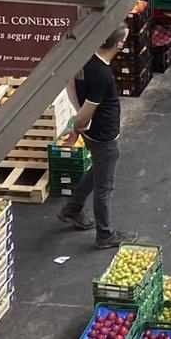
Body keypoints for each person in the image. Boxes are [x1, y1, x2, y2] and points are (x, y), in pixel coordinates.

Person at [56, 26, 130, 249]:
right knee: (104, 187)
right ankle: (104, 235)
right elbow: (88, 111)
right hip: (103, 136)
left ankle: (73, 209)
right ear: (119, 45)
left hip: (92, 133)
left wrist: (80, 122)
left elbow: (70, 84)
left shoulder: (86, 59)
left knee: (98, 169)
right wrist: (77, 126)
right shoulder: (102, 75)